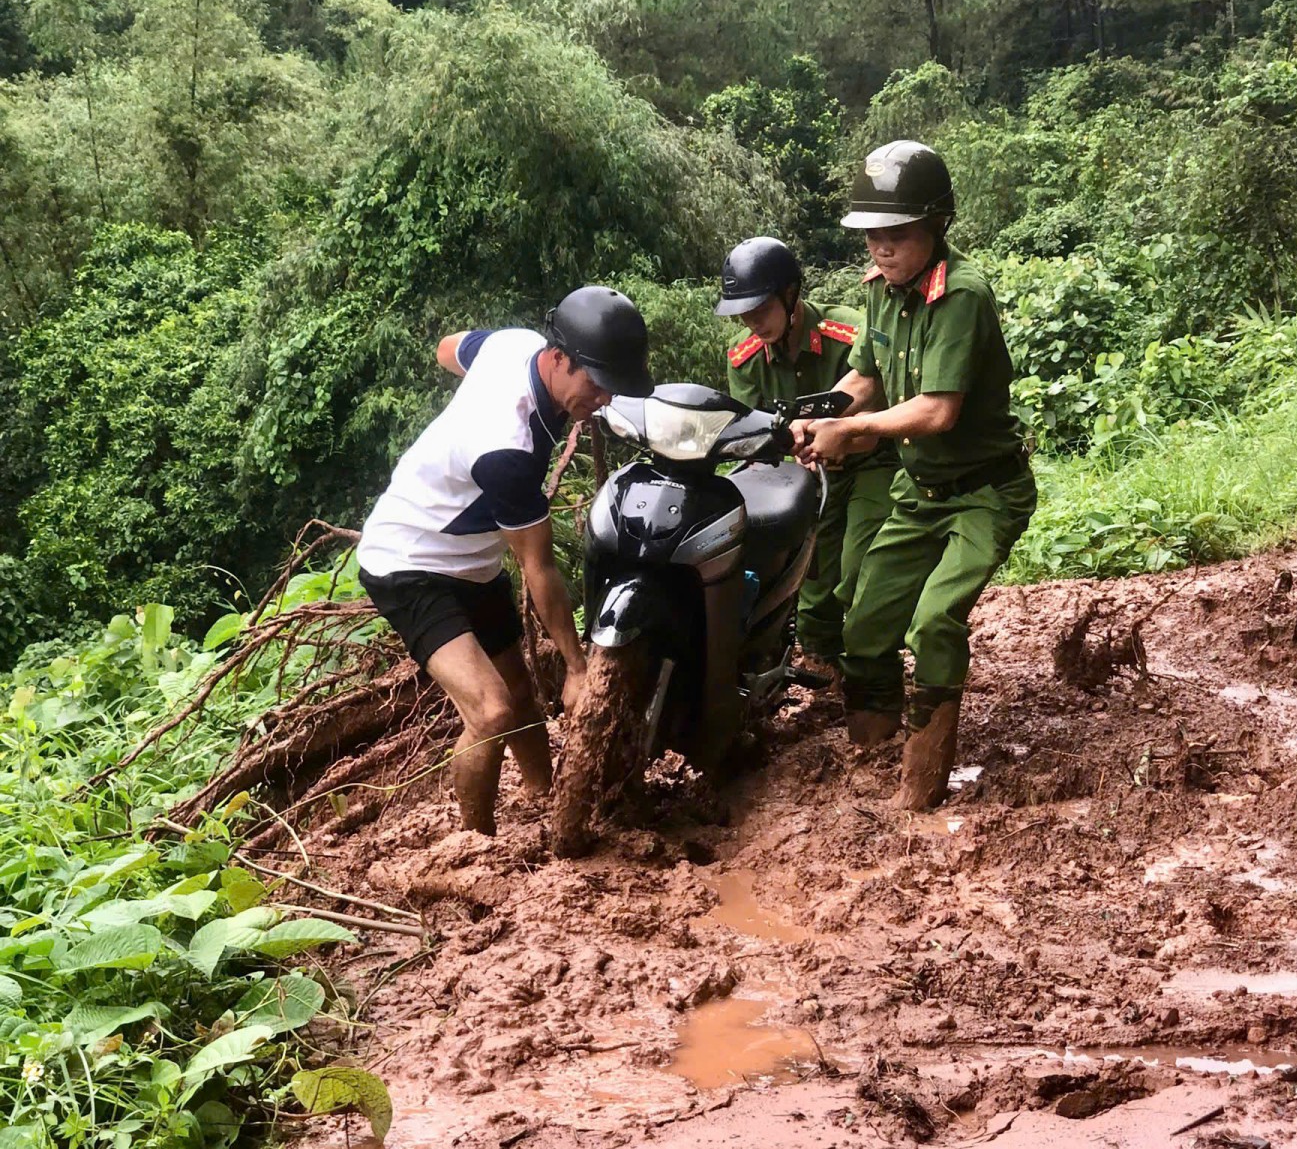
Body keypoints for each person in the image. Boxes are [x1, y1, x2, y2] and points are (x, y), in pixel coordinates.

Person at [792, 141, 1036, 810]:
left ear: (935, 226)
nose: (881, 248)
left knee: (933, 620)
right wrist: (818, 417)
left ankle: (922, 781)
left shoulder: (961, 297)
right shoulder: (884, 296)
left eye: (896, 234)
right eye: (872, 235)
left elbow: (937, 410)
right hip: (919, 493)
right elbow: (865, 377)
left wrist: (856, 431)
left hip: (984, 492)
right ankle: (872, 749)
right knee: (864, 624)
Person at [356, 286, 654, 834]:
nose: (604, 399)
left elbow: (449, 349)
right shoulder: (506, 448)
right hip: (408, 562)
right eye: (596, 384)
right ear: (559, 358)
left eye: (613, 388)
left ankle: (542, 798)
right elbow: (538, 569)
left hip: (472, 560)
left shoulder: (515, 345)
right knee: (491, 711)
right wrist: (577, 667)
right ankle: (474, 846)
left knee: (520, 694)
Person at [717, 236, 898, 669]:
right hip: (805, 479)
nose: (753, 323)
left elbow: (885, 401)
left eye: (760, 310)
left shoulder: (849, 333)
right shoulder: (744, 360)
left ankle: (873, 669)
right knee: (812, 581)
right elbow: (755, 438)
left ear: (790, 295)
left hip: (871, 463)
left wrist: (838, 435)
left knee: (861, 567)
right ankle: (822, 667)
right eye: (744, 314)